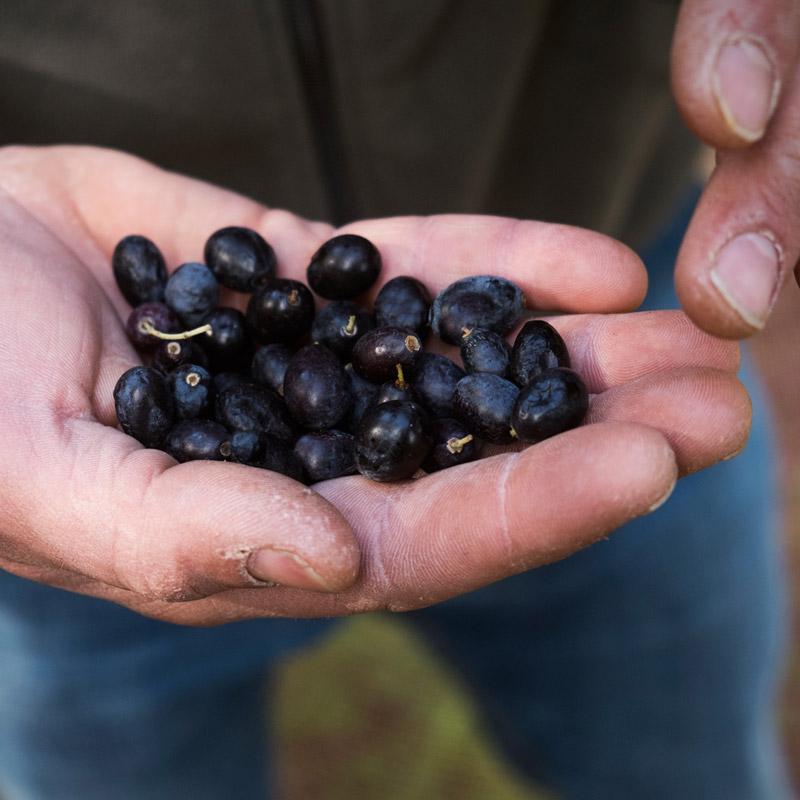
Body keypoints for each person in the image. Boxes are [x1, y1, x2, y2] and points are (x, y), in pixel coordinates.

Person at [0, 1, 796, 797]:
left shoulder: (437, 351)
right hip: (58, 279)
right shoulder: (205, 360)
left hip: (592, 246)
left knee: (682, 762)